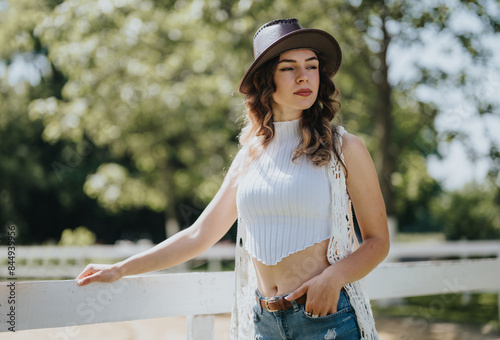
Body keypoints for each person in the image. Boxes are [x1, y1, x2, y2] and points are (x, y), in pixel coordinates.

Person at [76, 18, 389, 340]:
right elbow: (199, 234)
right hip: (263, 322)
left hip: (325, 318)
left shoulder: (344, 147)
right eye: (288, 68)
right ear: (267, 79)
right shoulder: (251, 155)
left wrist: (333, 277)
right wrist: (121, 268)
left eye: (311, 66)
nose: (303, 76)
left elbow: (378, 241)